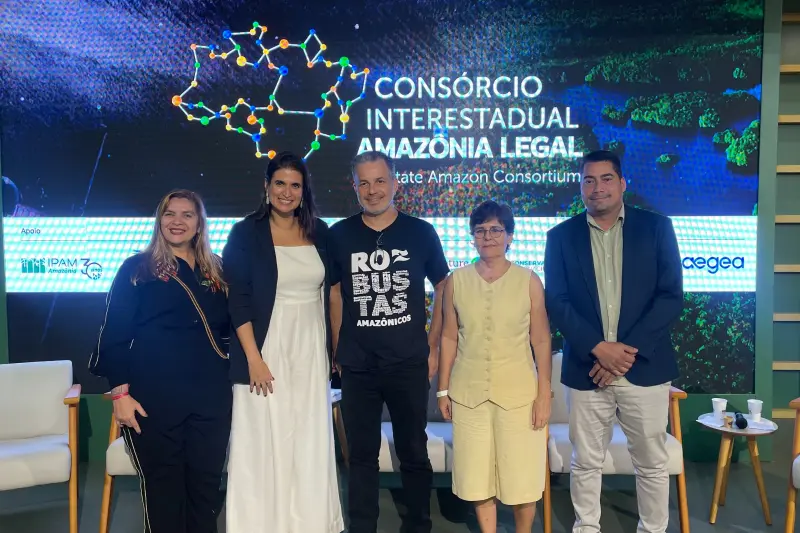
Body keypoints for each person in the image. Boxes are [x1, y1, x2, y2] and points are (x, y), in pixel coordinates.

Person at [544, 150, 683, 533]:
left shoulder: (656, 228)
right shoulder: (560, 237)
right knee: (586, 461)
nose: (597, 188)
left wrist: (622, 354)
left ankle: (652, 529)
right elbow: (557, 301)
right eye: (588, 180)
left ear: (622, 183)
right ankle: (586, 527)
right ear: (580, 187)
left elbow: (671, 296)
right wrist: (599, 349)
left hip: (645, 368)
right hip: (586, 368)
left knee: (651, 462)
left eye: (606, 179)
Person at [88, 189, 231, 533]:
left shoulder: (217, 271)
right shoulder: (137, 269)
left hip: (210, 398)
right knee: (164, 493)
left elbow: (233, 329)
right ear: (159, 221)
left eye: (187, 215)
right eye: (170, 214)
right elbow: (114, 335)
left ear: (199, 224)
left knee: (205, 491)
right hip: (154, 400)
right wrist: (120, 395)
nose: (177, 222)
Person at [328, 150, 449, 533]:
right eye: (363, 183)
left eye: (380, 181)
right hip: (358, 365)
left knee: (413, 453)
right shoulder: (339, 235)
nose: (372, 190)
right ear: (354, 187)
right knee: (361, 456)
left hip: (408, 362)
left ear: (395, 183)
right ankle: (362, 527)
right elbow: (335, 293)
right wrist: (337, 348)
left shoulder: (420, 232)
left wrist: (433, 344)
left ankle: (418, 526)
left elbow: (443, 286)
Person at [222, 151, 343, 533]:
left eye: (295, 185)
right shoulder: (245, 233)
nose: (287, 192)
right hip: (264, 348)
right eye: (280, 183)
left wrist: (335, 350)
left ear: (304, 191)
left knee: (308, 438)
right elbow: (237, 300)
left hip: (310, 348)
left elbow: (333, 294)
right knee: (261, 439)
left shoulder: (320, 231)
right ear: (266, 186)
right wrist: (254, 359)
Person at [437, 200, 552, 533]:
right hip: (468, 395)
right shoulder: (456, 281)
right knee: (477, 478)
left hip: (519, 396)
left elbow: (541, 340)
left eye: (496, 230)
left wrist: (544, 394)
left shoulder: (528, 281)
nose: (488, 236)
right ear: (473, 237)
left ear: (510, 236)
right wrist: (443, 390)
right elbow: (448, 337)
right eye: (481, 230)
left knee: (522, 479)